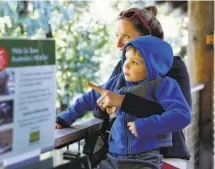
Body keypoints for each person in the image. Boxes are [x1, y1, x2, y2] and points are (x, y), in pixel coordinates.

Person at [56, 6, 192, 160]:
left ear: (147, 38)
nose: (118, 44)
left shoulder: (174, 66)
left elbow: (180, 114)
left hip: (165, 155)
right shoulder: (124, 68)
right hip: (122, 154)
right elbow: (98, 107)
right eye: (117, 36)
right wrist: (66, 117)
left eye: (126, 36)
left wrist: (123, 102)